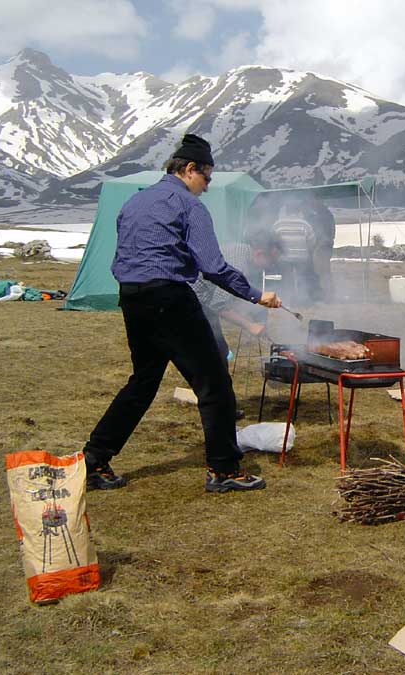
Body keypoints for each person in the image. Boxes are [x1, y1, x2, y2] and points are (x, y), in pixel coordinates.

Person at [81, 133, 282, 494]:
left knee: (142, 383)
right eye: (206, 178)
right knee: (215, 384)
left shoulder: (135, 202)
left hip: (132, 298)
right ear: (190, 170)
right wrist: (256, 295)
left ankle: (93, 460)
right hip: (170, 299)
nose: (206, 187)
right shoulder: (188, 206)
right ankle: (224, 469)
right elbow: (213, 266)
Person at [191, 226, 283, 419]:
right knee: (217, 355)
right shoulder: (238, 261)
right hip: (191, 302)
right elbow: (219, 304)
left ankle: (219, 406)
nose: (270, 267)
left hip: (199, 302)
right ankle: (221, 410)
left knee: (215, 354)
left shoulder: (241, 251)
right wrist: (250, 325)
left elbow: (235, 294)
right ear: (259, 253)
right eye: (271, 261)